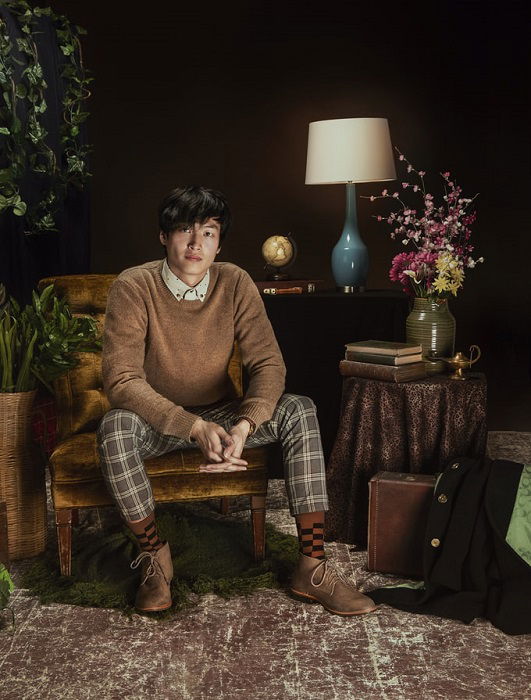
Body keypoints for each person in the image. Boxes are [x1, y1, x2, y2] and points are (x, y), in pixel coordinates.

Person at [97, 185, 376, 617]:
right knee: (114, 428)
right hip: (157, 419)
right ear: (163, 237)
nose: (196, 244)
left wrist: (244, 425)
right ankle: (155, 556)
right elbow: (122, 380)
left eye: (208, 233)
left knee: (299, 408)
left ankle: (313, 566)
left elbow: (268, 365)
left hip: (223, 414)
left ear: (219, 241)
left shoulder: (234, 281)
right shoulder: (134, 286)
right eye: (184, 231)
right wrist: (192, 426)